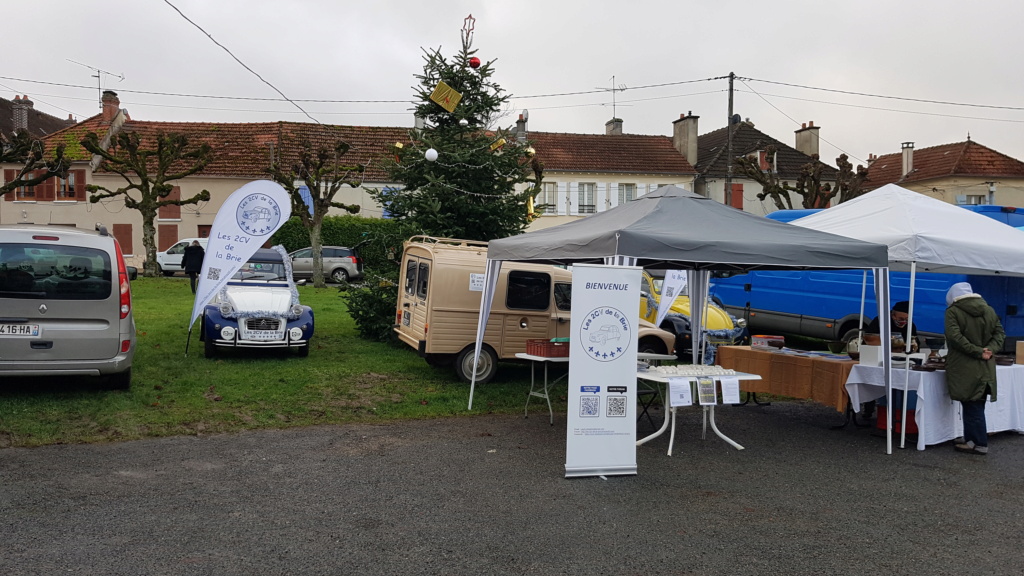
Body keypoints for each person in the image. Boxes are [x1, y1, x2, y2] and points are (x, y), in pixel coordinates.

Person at [944, 282, 1004, 456]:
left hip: (964, 365)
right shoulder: (989, 310)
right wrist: (989, 350)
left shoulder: (953, 312)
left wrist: (977, 352)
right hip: (986, 365)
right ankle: (971, 438)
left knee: (971, 404)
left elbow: (954, 337)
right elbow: (999, 334)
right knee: (976, 403)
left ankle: (978, 443)